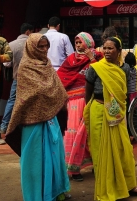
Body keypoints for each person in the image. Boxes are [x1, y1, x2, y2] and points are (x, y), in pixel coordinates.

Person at [85, 37, 137, 200]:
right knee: (102, 151)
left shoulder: (126, 69)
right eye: (105, 48)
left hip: (118, 113)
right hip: (99, 112)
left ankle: (130, 186)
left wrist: (121, 111)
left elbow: (127, 93)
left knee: (124, 150)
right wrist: (95, 109)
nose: (107, 52)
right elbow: (88, 93)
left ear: (119, 50)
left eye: (110, 49)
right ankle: (108, 188)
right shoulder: (95, 68)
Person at [5, 33, 70, 201]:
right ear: (31, 47)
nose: (44, 49)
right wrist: (50, 94)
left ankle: (56, 191)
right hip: (33, 123)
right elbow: (31, 94)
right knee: (35, 162)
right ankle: (36, 196)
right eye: (40, 46)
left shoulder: (47, 64)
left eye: (46, 46)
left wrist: (54, 96)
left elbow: (58, 90)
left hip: (51, 120)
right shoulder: (25, 67)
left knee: (55, 156)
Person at [57, 32, 103, 182]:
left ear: (89, 43)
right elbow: (61, 76)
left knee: (92, 133)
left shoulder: (98, 57)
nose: (77, 45)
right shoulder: (71, 59)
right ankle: (74, 168)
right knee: (75, 132)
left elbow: (103, 73)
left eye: (80, 42)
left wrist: (91, 58)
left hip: (91, 99)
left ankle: (97, 164)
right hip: (73, 101)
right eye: (76, 43)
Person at [0, 23, 33, 135]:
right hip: (32, 78)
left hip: (17, 77)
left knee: (12, 100)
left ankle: (4, 125)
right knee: (30, 101)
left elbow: (6, 64)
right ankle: (27, 124)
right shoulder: (33, 44)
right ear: (28, 32)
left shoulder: (11, 44)